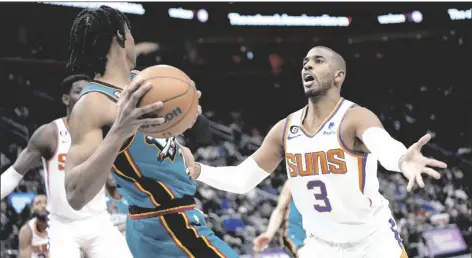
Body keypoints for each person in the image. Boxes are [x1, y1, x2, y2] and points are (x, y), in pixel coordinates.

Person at [184, 46, 448, 258]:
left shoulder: (354, 117)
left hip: (372, 242)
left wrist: (403, 160)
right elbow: (243, 180)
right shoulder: (284, 130)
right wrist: (199, 170)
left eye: (318, 60)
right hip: (321, 246)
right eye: (305, 62)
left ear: (338, 75)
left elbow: (383, 144)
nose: (307, 65)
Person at [64, 5, 237, 258]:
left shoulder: (142, 82)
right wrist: (119, 131)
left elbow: (151, 145)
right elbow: (74, 194)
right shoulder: (92, 103)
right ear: (122, 37)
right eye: (130, 33)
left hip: (180, 217)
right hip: (162, 224)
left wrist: (185, 120)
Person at [1, 74, 132, 258]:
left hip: (98, 221)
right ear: (65, 99)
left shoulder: (104, 135)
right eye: (79, 91)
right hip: (63, 226)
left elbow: (115, 192)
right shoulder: (50, 133)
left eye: (90, 92)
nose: (86, 96)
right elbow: (14, 173)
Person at [253, 181, 306, 258]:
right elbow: (280, 210)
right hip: (295, 236)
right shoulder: (292, 182)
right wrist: (269, 233)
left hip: (319, 234)